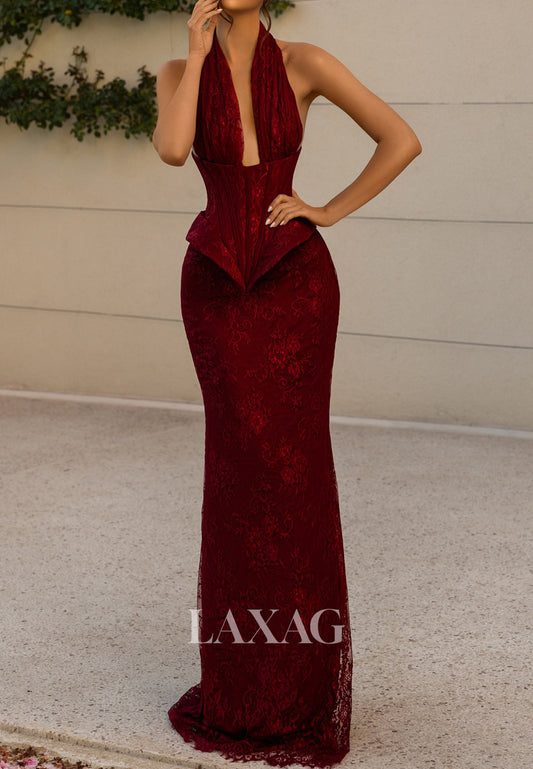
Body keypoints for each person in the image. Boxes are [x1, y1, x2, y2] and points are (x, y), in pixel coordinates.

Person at [153, 1, 421, 767]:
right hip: (213, 283)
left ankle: (299, 691)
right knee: (235, 470)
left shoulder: (305, 63)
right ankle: (240, 687)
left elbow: (401, 139)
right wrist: (196, 54)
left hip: (294, 283)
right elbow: (173, 151)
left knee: (292, 470)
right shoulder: (175, 71)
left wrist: (326, 209)